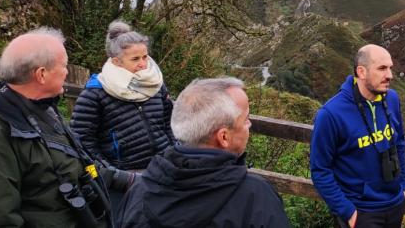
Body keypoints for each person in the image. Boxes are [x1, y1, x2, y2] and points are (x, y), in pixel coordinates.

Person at [0, 28, 135, 227]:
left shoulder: (42, 107)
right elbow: (0, 218)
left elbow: (74, 163)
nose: (67, 72)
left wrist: (128, 179)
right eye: (64, 65)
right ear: (42, 74)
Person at [117, 77, 290, 228]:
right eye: (245, 120)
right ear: (224, 137)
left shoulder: (139, 190)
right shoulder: (256, 197)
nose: (249, 125)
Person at [311, 44, 405, 228]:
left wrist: (403, 186)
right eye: (381, 68)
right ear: (361, 72)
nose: (389, 75)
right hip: (361, 212)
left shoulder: (392, 99)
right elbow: (320, 170)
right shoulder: (331, 114)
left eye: (390, 68)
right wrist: (349, 213)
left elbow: (400, 143)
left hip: (394, 204)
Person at [71, 20, 175, 172]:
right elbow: (82, 141)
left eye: (145, 57)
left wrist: (174, 152)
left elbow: (169, 122)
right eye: (135, 59)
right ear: (116, 61)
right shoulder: (95, 93)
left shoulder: (155, 84)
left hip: (165, 167)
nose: (143, 64)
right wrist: (112, 174)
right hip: (126, 177)